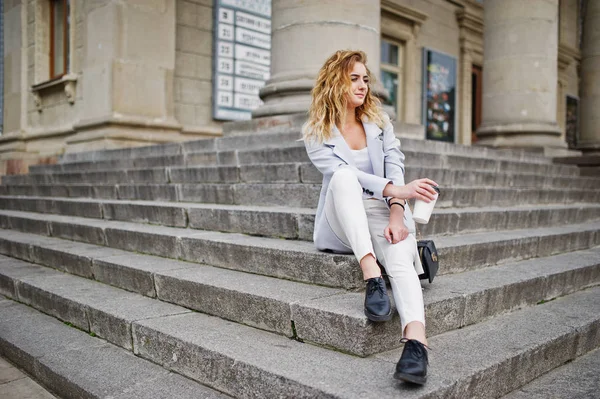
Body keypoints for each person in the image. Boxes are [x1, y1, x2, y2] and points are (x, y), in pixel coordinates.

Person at [302, 50, 438, 385]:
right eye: (353, 78)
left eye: (365, 78)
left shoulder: (380, 123)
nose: (363, 85)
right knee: (344, 177)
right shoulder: (316, 131)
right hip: (342, 218)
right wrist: (398, 190)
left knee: (400, 255)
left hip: (383, 210)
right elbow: (344, 175)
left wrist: (397, 214)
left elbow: (395, 164)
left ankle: (416, 343)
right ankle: (371, 274)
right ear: (335, 82)